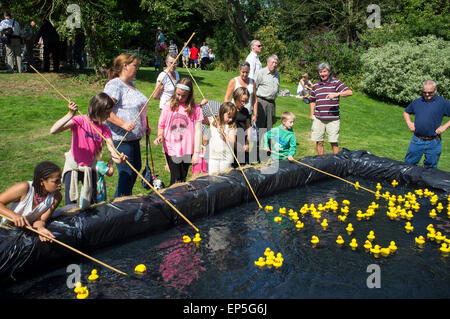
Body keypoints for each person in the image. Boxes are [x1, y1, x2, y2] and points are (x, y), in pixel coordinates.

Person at [50, 94, 126, 208]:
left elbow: (112, 151)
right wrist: (70, 114)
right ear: (97, 110)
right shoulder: (81, 120)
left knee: (93, 203)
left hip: (90, 168)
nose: (108, 116)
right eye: (106, 113)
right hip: (73, 167)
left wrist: (120, 160)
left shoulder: (105, 129)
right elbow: (53, 130)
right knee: (70, 203)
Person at [104, 53, 149, 198]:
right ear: (125, 66)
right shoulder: (115, 85)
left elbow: (137, 109)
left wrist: (145, 125)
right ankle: (119, 206)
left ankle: (124, 202)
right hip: (121, 139)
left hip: (134, 138)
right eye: (135, 65)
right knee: (126, 174)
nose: (137, 69)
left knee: (135, 169)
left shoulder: (131, 84)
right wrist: (123, 123)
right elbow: (105, 111)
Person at [154, 78, 204, 185]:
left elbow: (198, 131)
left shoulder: (195, 108)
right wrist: (159, 135)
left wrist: (196, 153)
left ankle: (179, 199)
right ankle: (172, 199)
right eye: (178, 94)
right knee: (176, 178)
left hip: (187, 149)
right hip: (171, 147)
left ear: (189, 94)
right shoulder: (169, 105)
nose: (180, 97)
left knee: (182, 177)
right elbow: (161, 125)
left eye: (183, 95)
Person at [0, 161, 62, 242]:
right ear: (42, 181)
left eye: (60, 179)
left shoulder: (56, 197)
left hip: (26, 235)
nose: (60, 184)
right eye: (56, 181)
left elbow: (41, 220)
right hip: (6, 232)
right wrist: (14, 216)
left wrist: (40, 229)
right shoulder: (24, 188)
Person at [403, 80, 450, 168]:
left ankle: (425, 183)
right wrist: (409, 123)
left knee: (430, 170)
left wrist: (445, 127)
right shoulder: (417, 102)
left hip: (434, 142)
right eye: (424, 92)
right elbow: (406, 112)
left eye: (430, 92)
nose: (427, 95)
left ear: (435, 90)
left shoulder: (443, 103)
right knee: (408, 166)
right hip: (417, 140)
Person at [309, 62, 353, 155]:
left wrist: (337, 94)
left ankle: (336, 163)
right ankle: (321, 162)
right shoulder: (316, 85)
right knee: (319, 141)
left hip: (333, 119)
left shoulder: (336, 82)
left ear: (329, 72)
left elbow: (349, 92)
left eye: (324, 71)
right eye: (320, 72)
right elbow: (312, 100)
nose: (322, 74)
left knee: (333, 142)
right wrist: (312, 113)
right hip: (318, 118)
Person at [254, 54, 280, 162]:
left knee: (269, 128)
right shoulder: (261, 73)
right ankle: (254, 154)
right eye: (272, 62)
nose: (274, 65)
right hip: (261, 102)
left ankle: (268, 153)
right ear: (268, 63)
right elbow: (254, 87)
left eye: (276, 63)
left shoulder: (277, 74)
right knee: (260, 128)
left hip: (271, 103)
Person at [207, 102, 237, 174]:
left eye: (232, 117)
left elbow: (232, 141)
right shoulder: (213, 121)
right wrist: (201, 105)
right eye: (229, 117)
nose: (231, 119)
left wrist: (223, 134)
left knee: (223, 179)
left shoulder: (232, 126)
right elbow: (199, 117)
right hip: (213, 156)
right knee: (212, 178)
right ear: (222, 113)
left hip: (226, 158)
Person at [231, 87, 252, 166]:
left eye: (246, 101)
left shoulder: (245, 111)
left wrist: (247, 143)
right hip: (232, 143)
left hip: (243, 143)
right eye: (242, 101)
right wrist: (236, 145)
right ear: (236, 97)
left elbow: (248, 127)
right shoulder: (230, 109)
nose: (244, 103)